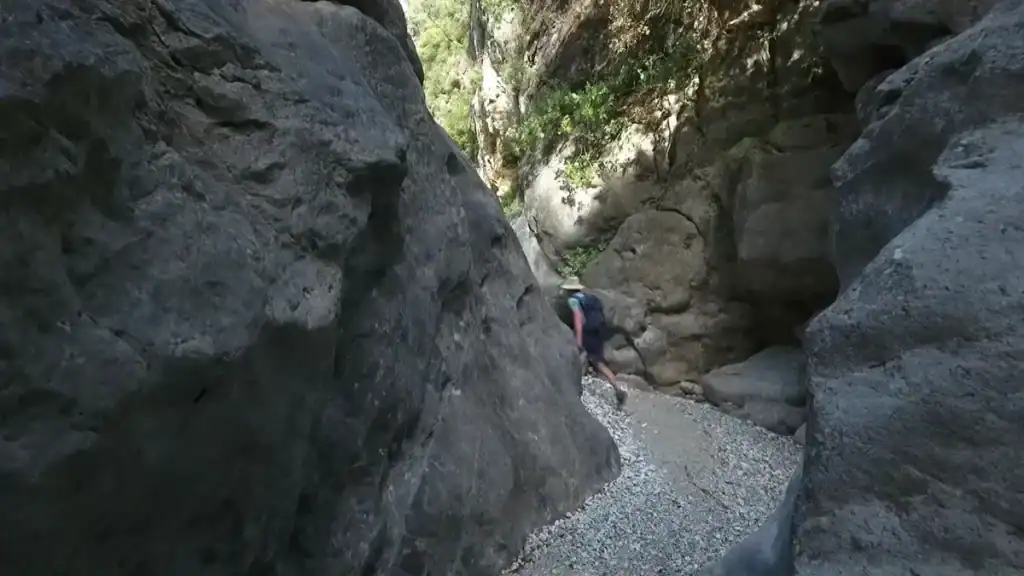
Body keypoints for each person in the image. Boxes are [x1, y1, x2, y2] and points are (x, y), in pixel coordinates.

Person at [561, 277, 628, 408]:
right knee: (598, 361)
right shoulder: (589, 297)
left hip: (588, 332)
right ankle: (617, 386)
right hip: (598, 330)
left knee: (582, 355)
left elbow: (578, 319)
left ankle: (573, 384)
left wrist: (579, 339)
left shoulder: (573, 300)